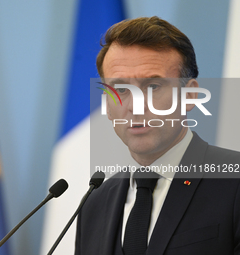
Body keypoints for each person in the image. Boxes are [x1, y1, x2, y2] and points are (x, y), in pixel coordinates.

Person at [75, 16, 240, 255]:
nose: (135, 106)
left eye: (153, 87)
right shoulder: (94, 203)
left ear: (190, 96)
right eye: (121, 90)